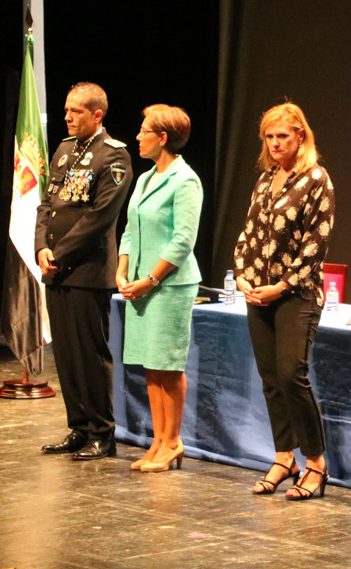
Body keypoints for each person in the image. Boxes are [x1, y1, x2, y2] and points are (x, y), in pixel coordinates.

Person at [233, 102, 335, 499]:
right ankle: (283, 456)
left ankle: (315, 462)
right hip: (258, 293)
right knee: (272, 379)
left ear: (300, 137)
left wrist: (283, 285)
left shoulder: (316, 179)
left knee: (293, 375)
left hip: (297, 294)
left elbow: (317, 242)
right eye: (270, 137)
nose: (275, 143)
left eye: (283, 136)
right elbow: (247, 234)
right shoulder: (265, 179)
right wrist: (242, 274)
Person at [36, 82, 133, 460]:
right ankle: (78, 426)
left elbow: (99, 216)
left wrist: (59, 251)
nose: (67, 117)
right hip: (56, 267)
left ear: (97, 115)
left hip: (87, 269)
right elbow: (48, 204)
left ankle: (101, 432)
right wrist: (41, 246)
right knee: (65, 354)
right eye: (66, 110)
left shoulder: (114, 157)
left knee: (91, 354)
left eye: (75, 111)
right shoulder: (63, 150)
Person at [117, 104, 202, 473]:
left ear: (162, 137)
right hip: (138, 285)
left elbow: (183, 240)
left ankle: (173, 440)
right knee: (150, 365)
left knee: (168, 363)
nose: (138, 136)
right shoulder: (145, 178)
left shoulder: (186, 180)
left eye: (144, 130)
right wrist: (122, 271)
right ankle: (157, 440)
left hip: (167, 286)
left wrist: (150, 278)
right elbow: (129, 229)